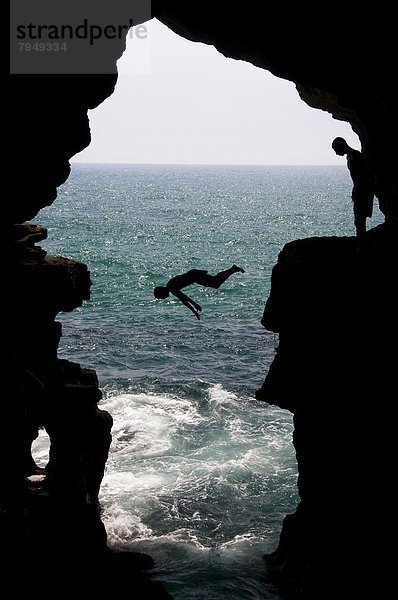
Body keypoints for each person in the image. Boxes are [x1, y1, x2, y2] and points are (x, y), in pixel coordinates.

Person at [153, 265, 245, 319]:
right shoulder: (170, 286)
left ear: (162, 292)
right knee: (215, 282)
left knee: (215, 283)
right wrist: (194, 311)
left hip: (195, 276)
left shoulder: (172, 288)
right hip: (195, 276)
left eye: (161, 297)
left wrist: (195, 306)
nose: (163, 298)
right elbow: (184, 300)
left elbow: (185, 298)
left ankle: (233, 269)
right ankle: (232, 269)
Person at [332, 137, 375, 244]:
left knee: (360, 221)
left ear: (341, 147)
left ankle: (362, 248)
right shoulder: (352, 157)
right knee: (359, 222)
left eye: (336, 150)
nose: (336, 154)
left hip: (362, 192)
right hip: (360, 192)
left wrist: (360, 191)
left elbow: (365, 177)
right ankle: (362, 246)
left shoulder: (356, 157)